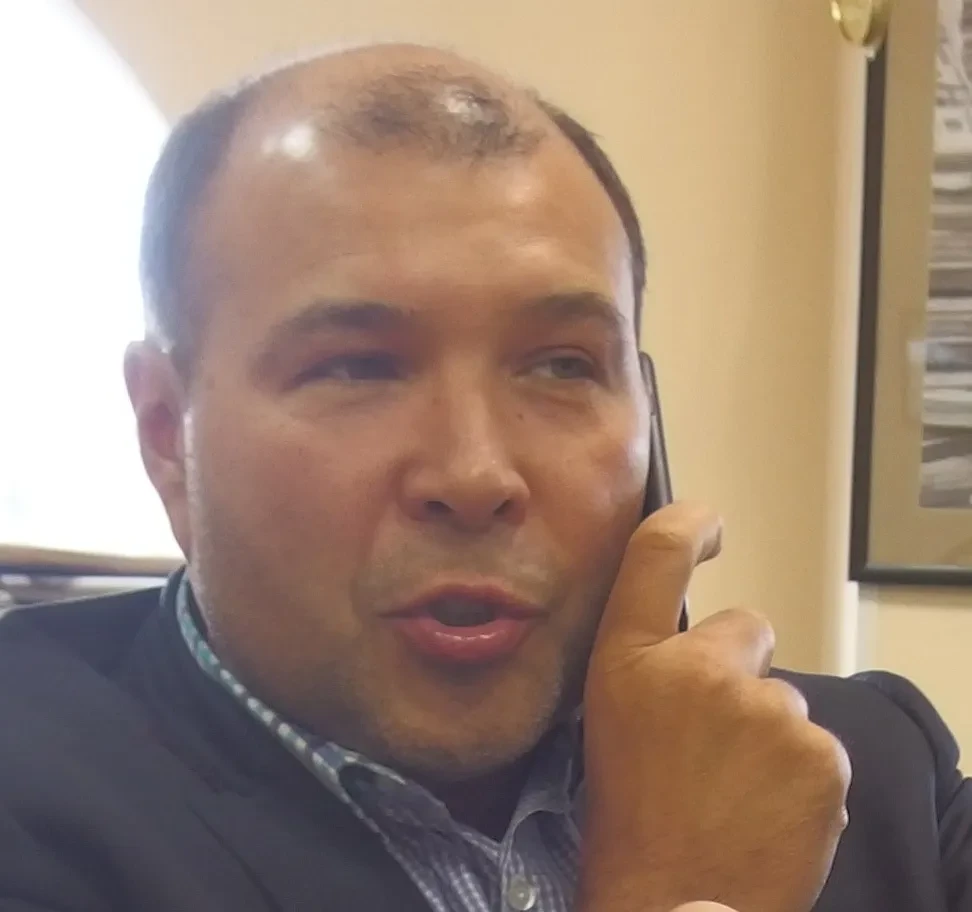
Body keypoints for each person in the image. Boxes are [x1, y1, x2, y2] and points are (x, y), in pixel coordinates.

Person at [0, 42, 968, 912]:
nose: (475, 473)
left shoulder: (856, 769)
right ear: (167, 434)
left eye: (562, 366)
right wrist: (678, 894)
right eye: (357, 367)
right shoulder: (34, 807)